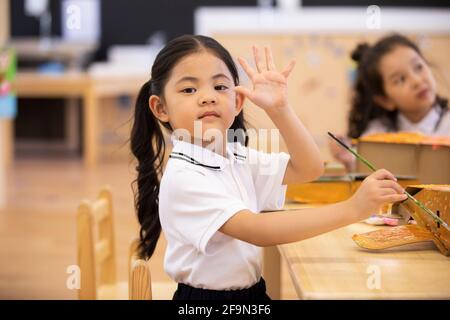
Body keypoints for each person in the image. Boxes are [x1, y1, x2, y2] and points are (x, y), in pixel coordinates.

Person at [130, 35, 407, 300]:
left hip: (251, 293)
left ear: (237, 101)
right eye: (189, 89)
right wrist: (352, 209)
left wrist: (280, 109)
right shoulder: (185, 177)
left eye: (220, 86)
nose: (207, 97)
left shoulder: (235, 155)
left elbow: (309, 169)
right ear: (160, 108)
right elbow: (257, 230)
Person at [331, 34, 450, 171]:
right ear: (385, 100)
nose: (417, 81)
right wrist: (350, 161)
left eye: (418, 67)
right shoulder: (376, 135)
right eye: (400, 80)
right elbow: (365, 176)